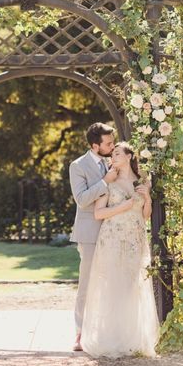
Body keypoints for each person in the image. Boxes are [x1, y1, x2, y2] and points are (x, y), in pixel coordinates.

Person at [80, 142, 160, 358]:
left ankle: (132, 338)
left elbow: (145, 215)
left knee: (131, 284)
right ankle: (111, 337)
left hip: (135, 237)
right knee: (114, 284)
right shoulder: (107, 182)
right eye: (111, 154)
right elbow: (98, 213)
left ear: (128, 156)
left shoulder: (141, 182)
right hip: (113, 237)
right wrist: (122, 207)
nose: (112, 157)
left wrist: (148, 198)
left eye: (116, 153)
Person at [69, 122, 116, 352]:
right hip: (89, 233)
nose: (112, 146)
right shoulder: (77, 166)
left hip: (113, 232)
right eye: (108, 143)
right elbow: (81, 198)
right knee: (86, 283)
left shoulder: (114, 161)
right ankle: (80, 332)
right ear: (95, 146)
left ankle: (105, 329)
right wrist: (105, 182)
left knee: (111, 282)